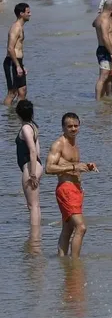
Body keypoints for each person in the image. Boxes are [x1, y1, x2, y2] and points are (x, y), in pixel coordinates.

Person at [45, 112, 98, 258]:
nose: (73, 129)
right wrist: (74, 168)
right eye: (69, 126)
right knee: (81, 227)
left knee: (68, 229)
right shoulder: (58, 144)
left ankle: (63, 263)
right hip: (65, 189)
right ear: (63, 127)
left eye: (76, 126)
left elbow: (71, 164)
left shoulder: (74, 143)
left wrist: (87, 166)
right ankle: (75, 264)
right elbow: (48, 168)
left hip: (76, 189)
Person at [15, 99, 42, 234]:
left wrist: (32, 173)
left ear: (18, 114)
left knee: (32, 206)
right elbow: (38, 151)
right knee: (35, 205)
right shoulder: (33, 126)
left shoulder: (25, 128)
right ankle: (36, 234)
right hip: (35, 165)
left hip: (30, 167)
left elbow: (32, 151)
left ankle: (34, 236)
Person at [3, 1, 28, 106]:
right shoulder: (16, 28)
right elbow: (10, 48)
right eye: (28, 12)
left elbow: (19, 48)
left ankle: (19, 116)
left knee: (22, 91)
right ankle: (6, 116)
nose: (30, 14)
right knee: (12, 93)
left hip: (18, 62)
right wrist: (17, 66)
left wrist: (22, 65)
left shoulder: (21, 27)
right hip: (11, 62)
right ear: (21, 14)